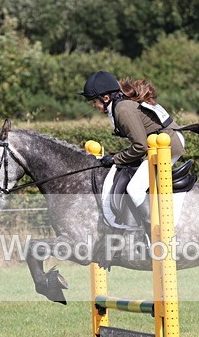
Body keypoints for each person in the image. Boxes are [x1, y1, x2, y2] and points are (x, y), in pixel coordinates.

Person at [79, 70, 188, 232]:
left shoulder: (122, 110)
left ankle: (153, 233)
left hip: (167, 143)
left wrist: (115, 158)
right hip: (158, 142)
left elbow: (140, 146)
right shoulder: (119, 106)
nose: (94, 105)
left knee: (134, 189)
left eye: (94, 101)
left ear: (106, 98)